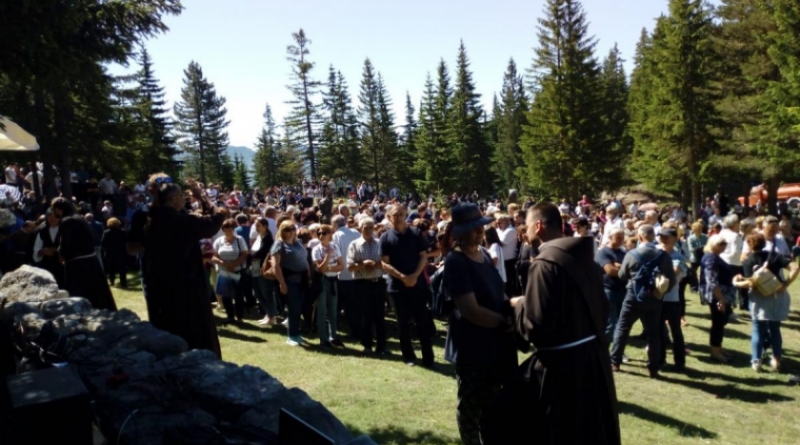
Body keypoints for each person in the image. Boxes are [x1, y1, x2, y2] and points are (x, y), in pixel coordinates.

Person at [500, 203, 620, 445]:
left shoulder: (545, 263)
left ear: (538, 225)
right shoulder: (586, 258)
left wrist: (518, 305)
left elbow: (537, 325)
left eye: (527, 227)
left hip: (563, 372)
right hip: (593, 361)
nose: (525, 232)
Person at [442, 203, 517, 445]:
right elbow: (470, 310)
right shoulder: (456, 261)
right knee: (471, 409)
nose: (479, 232)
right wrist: (504, 321)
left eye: (480, 227)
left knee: (493, 405)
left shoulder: (484, 255)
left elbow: (499, 294)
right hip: (472, 347)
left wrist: (516, 308)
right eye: (473, 228)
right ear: (461, 232)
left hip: (495, 343)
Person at [143, 177, 224, 358]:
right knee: (196, 336)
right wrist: (202, 197)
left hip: (161, 288)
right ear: (173, 199)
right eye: (182, 196)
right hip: (186, 289)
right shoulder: (182, 222)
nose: (185, 199)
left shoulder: (151, 222)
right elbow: (216, 219)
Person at [610, 224, 676, 378]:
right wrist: (660, 291)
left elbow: (621, 275)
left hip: (633, 296)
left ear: (640, 237)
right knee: (654, 333)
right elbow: (671, 280)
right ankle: (653, 367)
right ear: (654, 236)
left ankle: (615, 362)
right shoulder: (664, 255)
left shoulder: (632, 254)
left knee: (623, 329)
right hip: (654, 298)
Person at [735, 233, 800, 372]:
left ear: (749, 245)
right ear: (764, 243)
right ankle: (776, 359)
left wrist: (736, 282)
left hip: (759, 297)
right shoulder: (774, 256)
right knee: (775, 329)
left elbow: (750, 283)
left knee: (758, 329)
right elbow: (795, 267)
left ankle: (756, 360)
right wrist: (785, 284)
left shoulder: (748, 261)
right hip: (777, 295)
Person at [380, 205, 436, 367]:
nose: (398, 217)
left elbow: (423, 257)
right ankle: (409, 356)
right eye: (394, 215)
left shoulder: (415, 233)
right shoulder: (385, 237)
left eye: (401, 214)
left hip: (416, 285)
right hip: (396, 286)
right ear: (389, 217)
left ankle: (428, 358)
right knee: (402, 323)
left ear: (406, 215)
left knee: (422, 321)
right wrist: (403, 277)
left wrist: (414, 276)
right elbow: (384, 263)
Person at [51, 198, 117, 311]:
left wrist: (61, 254)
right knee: (98, 296)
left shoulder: (67, 221)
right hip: (91, 262)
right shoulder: (79, 219)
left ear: (59, 209)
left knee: (80, 299)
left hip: (78, 266)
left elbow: (66, 245)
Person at [347, 217, 387, 354]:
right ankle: (367, 345)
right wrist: (364, 264)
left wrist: (375, 264)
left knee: (380, 315)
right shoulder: (354, 244)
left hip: (378, 282)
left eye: (371, 227)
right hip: (361, 284)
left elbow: (387, 263)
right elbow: (350, 267)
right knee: (365, 316)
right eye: (366, 227)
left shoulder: (379, 243)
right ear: (360, 228)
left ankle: (382, 346)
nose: (369, 230)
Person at [271, 220, 309, 346]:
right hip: (290, 280)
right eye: (288, 229)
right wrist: (282, 283)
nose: (291, 232)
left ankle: (297, 334)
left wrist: (309, 275)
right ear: (282, 231)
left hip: (302, 279)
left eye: (293, 229)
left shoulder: (298, 242)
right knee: (293, 308)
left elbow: (304, 259)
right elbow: (275, 266)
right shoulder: (279, 244)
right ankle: (292, 336)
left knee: (299, 308)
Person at [700, 234, 735, 363]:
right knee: (718, 322)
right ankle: (715, 351)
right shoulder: (711, 258)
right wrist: (720, 299)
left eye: (725, 244)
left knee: (721, 322)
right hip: (717, 295)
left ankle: (718, 348)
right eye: (721, 244)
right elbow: (711, 281)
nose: (724, 246)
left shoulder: (715, 257)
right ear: (714, 244)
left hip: (722, 294)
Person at [657, 228, 688, 371]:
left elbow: (673, 273)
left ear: (675, 239)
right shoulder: (655, 252)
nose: (663, 239)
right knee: (658, 330)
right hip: (657, 299)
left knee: (676, 331)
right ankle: (660, 358)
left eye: (666, 237)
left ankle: (679, 362)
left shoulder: (678, 257)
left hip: (672, 300)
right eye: (661, 237)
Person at [311, 224, 345, 348]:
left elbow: (342, 266)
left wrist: (330, 267)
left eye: (324, 233)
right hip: (322, 281)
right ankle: (323, 339)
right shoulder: (316, 250)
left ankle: (333, 337)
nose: (321, 235)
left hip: (333, 280)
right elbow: (320, 269)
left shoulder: (335, 246)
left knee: (333, 310)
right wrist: (328, 256)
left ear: (330, 234)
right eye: (319, 233)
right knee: (322, 311)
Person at [212, 219, 249, 324]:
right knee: (225, 295)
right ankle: (230, 316)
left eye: (230, 229)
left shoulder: (239, 240)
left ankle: (240, 316)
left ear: (233, 229)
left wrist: (233, 264)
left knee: (238, 295)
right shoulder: (218, 241)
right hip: (224, 272)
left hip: (237, 271)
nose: (228, 231)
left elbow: (245, 254)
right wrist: (224, 264)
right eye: (225, 229)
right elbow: (213, 256)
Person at [595, 227, 627, 344]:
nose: (620, 240)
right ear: (610, 237)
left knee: (621, 322)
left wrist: (619, 266)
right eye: (617, 237)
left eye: (622, 237)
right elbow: (610, 271)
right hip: (608, 291)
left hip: (622, 290)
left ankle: (616, 351)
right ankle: (605, 349)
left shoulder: (623, 252)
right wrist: (622, 268)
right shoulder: (603, 252)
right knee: (612, 323)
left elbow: (633, 267)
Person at [251, 218, 277, 325]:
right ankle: (268, 314)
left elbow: (260, 253)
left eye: (259, 226)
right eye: (256, 226)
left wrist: (250, 255)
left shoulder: (268, 240)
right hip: (255, 267)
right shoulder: (259, 238)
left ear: (265, 226)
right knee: (257, 292)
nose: (257, 228)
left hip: (264, 268)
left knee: (266, 292)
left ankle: (272, 316)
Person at [32, 209, 64, 287]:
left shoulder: (65, 229)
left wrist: (58, 251)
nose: (52, 218)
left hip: (63, 267)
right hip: (48, 266)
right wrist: (42, 251)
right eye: (50, 216)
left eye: (55, 216)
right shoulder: (42, 231)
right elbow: (36, 249)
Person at [100, 217, 128, 288]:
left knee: (111, 269)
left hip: (110, 253)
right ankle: (123, 282)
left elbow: (103, 243)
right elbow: (126, 242)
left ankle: (112, 281)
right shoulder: (123, 232)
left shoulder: (106, 232)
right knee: (122, 269)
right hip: (121, 252)